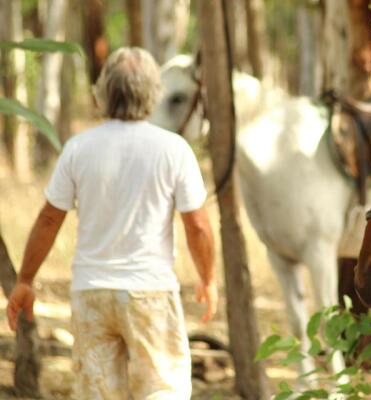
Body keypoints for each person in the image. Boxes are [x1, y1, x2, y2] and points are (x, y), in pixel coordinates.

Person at [5, 47, 217, 399]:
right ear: (153, 92)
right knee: (162, 390)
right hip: (149, 292)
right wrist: (208, 279)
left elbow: (48, 219)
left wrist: (26, 279)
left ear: (103, 92)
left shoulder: (78, 148)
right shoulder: (173, 150)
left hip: (91, 293)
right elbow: (198, 226)